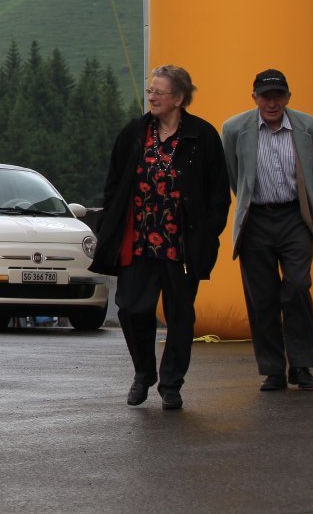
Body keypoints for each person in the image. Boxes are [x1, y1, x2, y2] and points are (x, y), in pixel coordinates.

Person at [91, 65, 230, 410]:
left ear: (179, 98)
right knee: (130, 308)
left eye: (159, 92)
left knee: (180, 316)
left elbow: (218, 192)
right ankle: (144, 373)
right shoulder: (134, 133)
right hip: (139, 242)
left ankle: (171, 385)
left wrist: (208, 231)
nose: (151, 97)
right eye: (150, 90)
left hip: (181, 245)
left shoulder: (202, 136)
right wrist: (110, 222)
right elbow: (114, 185)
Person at [221, 68, 313, 393]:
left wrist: (305, 210)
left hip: (295, 216)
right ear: (254, 98)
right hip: (256, 219)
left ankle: (302, 366)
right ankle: (273, 371)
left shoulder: (311, 128)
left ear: (288, 97)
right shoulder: (234, 129)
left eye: (278, 96)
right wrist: (249, 207)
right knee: (262, 297)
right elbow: (235, 176)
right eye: (265, 97)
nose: (272, 103)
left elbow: (312, 172)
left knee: (297, 287)